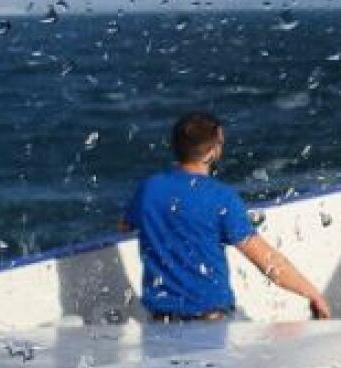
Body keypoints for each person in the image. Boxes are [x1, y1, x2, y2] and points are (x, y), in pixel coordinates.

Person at [121, 111, 330, 322]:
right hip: (210, 320)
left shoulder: (149, 189)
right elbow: (267, 261)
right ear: (212, 152)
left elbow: (125, 226)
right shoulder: (221, 197)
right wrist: (312, 293)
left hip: (160, 320)